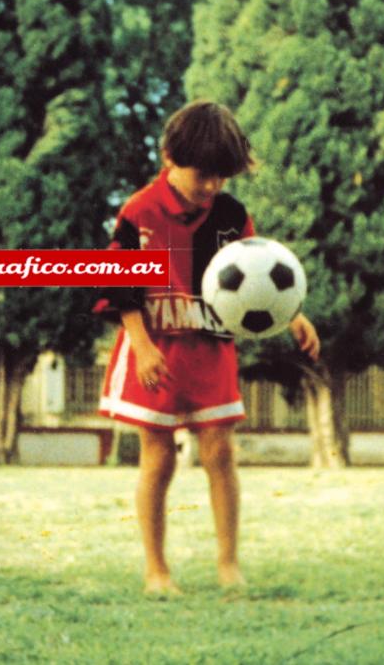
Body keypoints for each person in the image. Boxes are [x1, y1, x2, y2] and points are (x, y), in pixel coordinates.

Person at [93, 100, 320, 596]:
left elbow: (261, 279)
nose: (213, 187)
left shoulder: (231, 216)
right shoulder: (139, 212)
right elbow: (119, 286)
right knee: (159, 458)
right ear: (169, 157)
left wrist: (293, 315)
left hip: (210, 351)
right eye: (203, 176)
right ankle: (156, 571)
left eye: (222, 177)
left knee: (220, 452)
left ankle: (228, 565)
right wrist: (142, 345)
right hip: (154, 350)